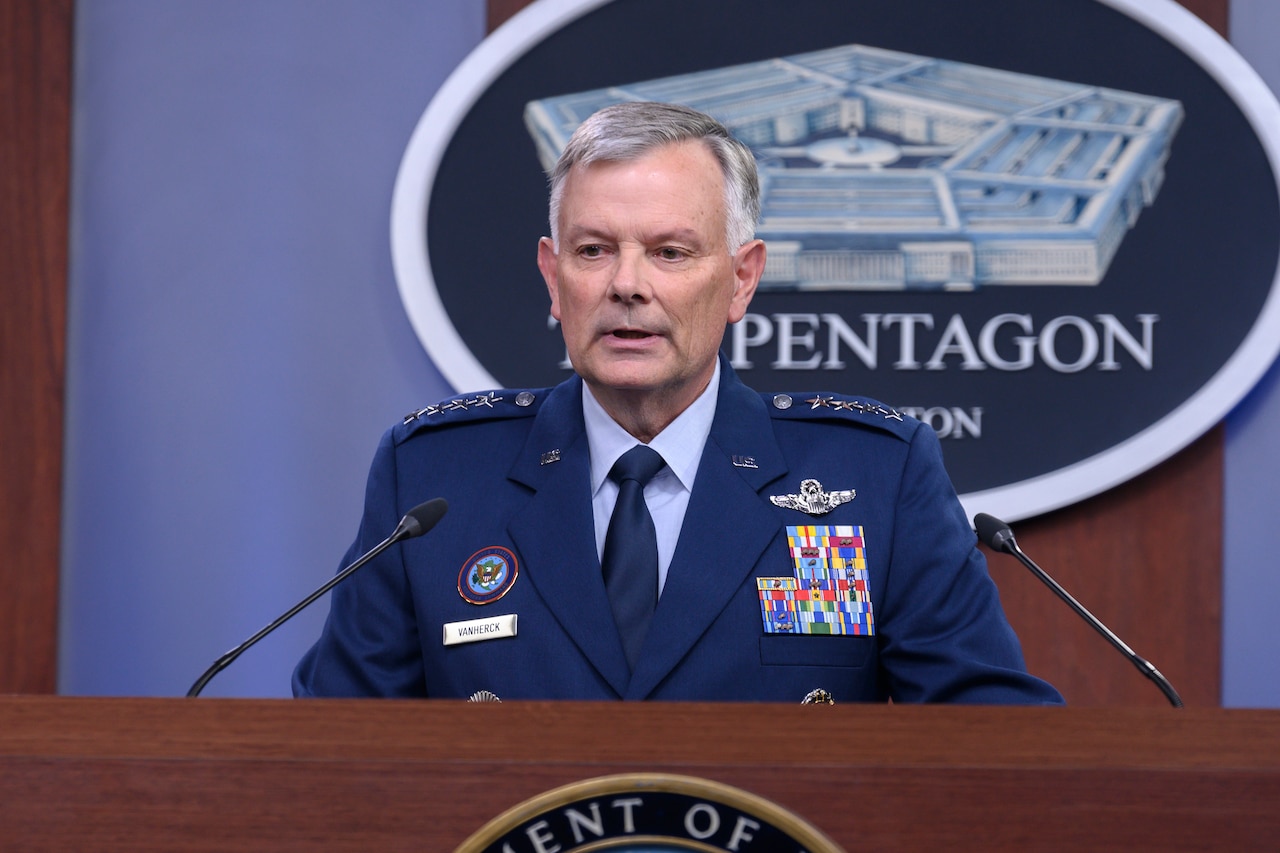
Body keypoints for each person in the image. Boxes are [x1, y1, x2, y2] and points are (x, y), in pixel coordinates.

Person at [293, 102, 1063, 704]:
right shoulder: (436, 481)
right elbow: (332, 753)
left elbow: (994, 746)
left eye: (670, 251)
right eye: (594, 250)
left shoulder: (873, 476)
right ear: (552, 276)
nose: (628, 284)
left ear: (741, 279)